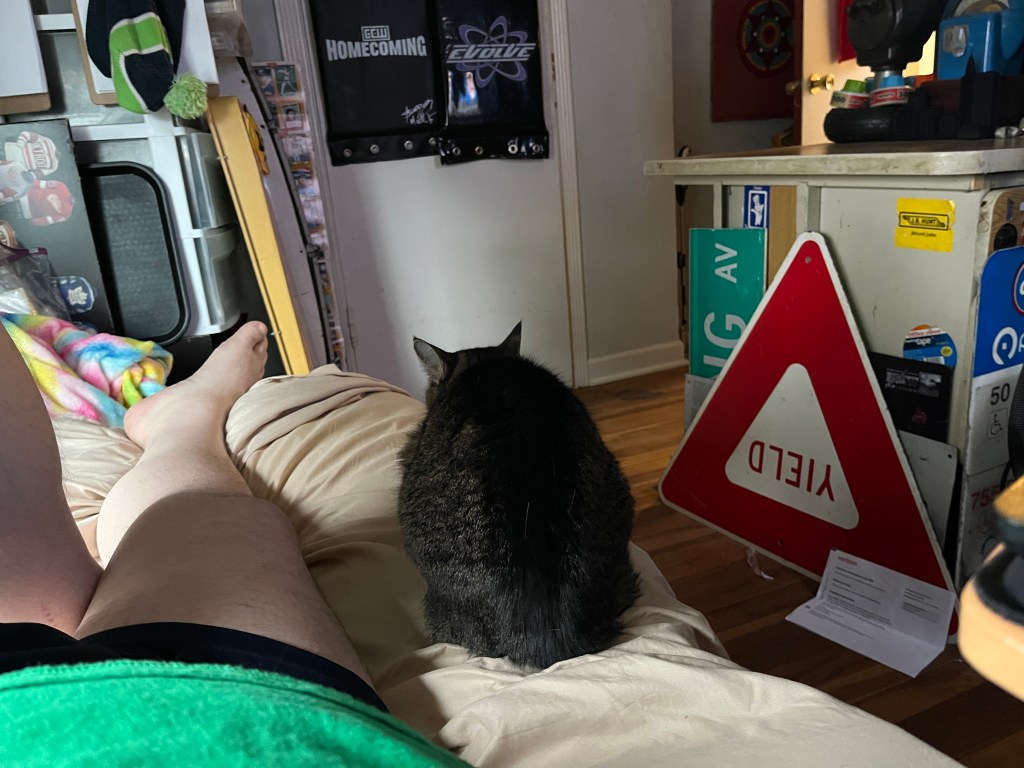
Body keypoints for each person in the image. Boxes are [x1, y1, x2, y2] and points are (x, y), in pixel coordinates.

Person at [0, 321, 466, 766]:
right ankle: (180, 425)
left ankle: (179, 426)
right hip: (221, 718)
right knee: (208, 520)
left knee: (183, 526)